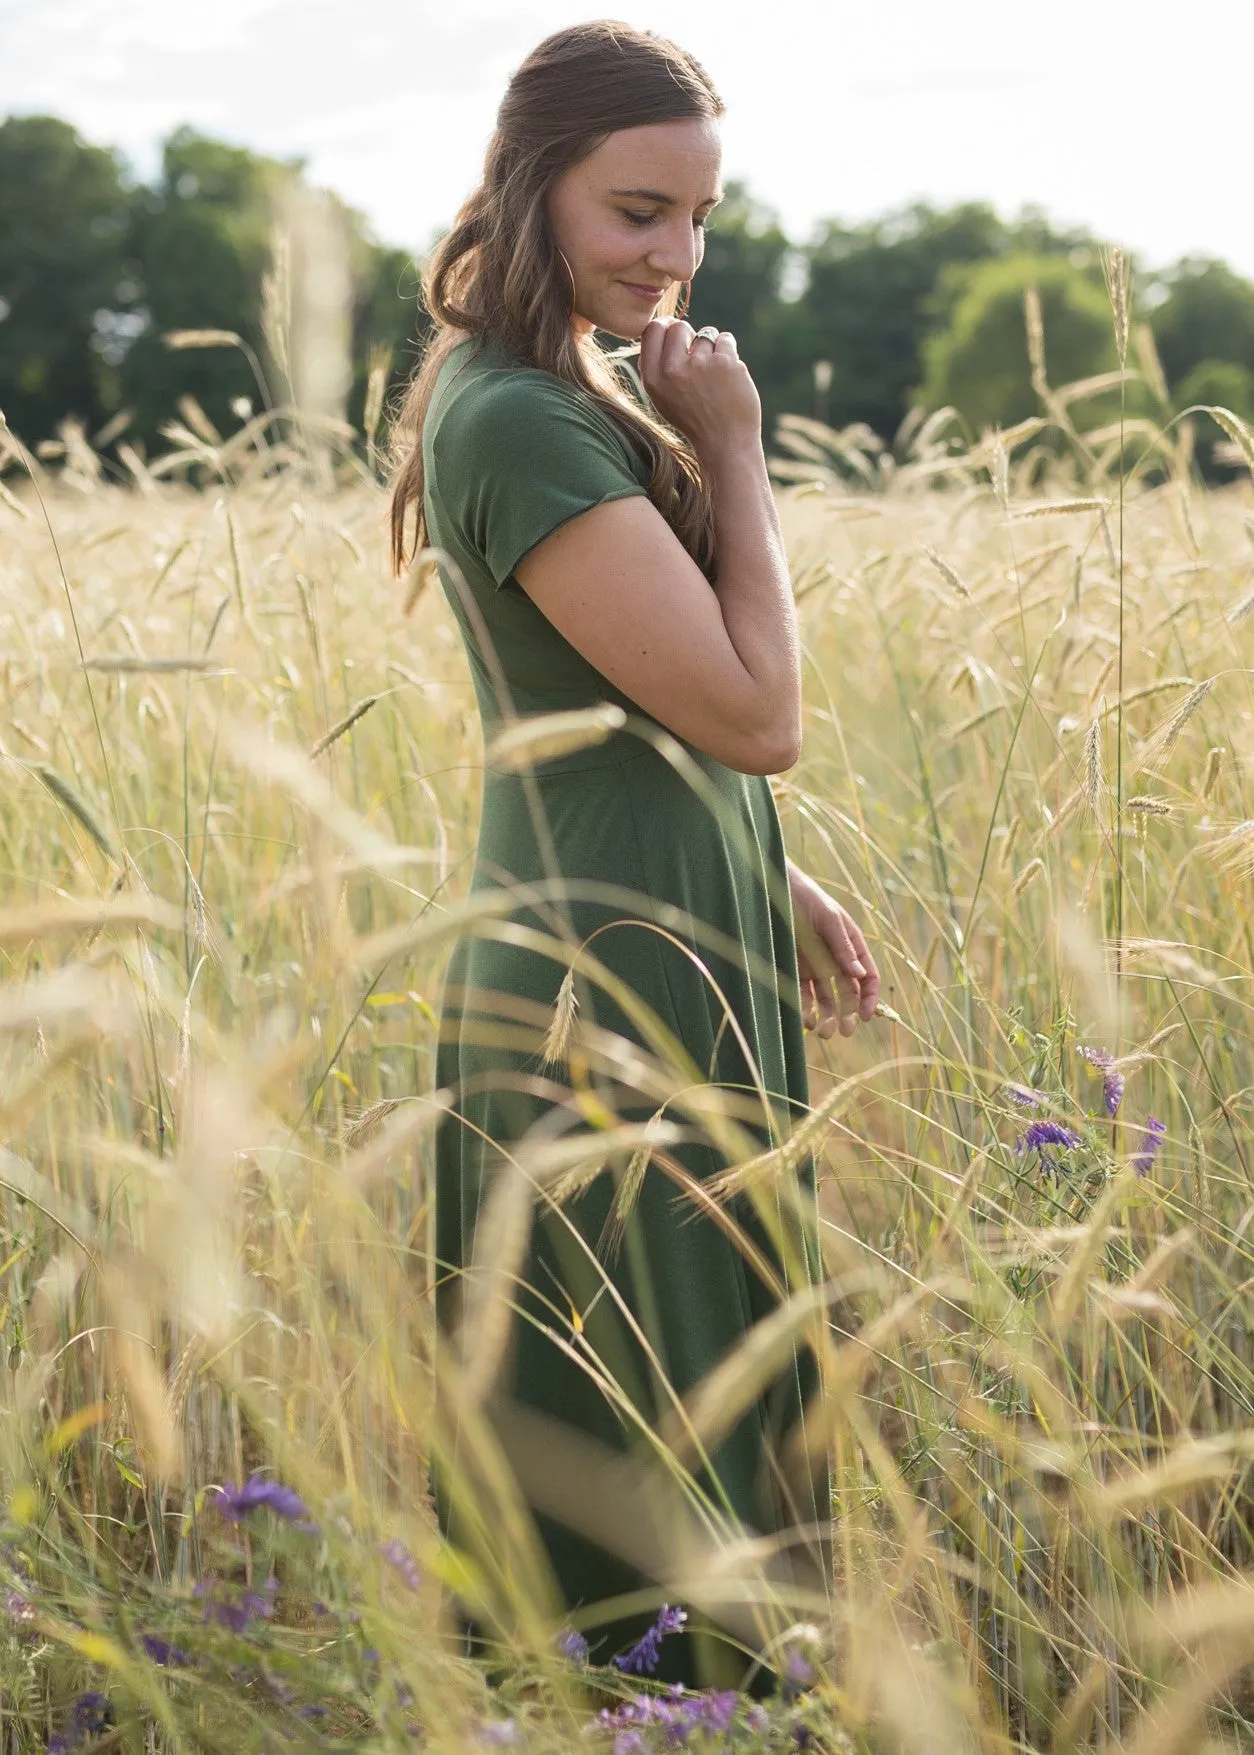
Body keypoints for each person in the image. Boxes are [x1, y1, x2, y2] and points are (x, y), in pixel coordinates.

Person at [386, 19, 879, 1697]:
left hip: (673, 929)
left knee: (709, 1393)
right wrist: (736, 448)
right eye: (635, 213)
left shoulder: (573, 386)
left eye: (696, 221)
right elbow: (757, 713)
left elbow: (642, 710)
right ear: (532, 194)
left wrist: (768, 866)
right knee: (638, 1426)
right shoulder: (522, 415)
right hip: (606, 983)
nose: (672, 260)